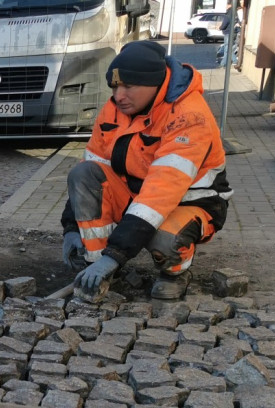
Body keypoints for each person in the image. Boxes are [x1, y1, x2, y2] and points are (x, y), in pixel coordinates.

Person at [61, 40, 232, 300]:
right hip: (136, 197)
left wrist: (115, 255)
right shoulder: (114, 110)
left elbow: (159, 194)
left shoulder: (189, 116)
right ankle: (96, 267)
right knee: (83, 174)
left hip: (190, 204)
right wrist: (71, 228)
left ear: (155, 84)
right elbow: (90, 171)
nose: (119, 95)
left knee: (164, 240)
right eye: (115, 86)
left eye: (128, 86)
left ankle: (175, 272)